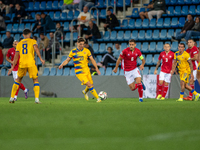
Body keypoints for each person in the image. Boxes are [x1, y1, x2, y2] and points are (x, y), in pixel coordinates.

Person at [8, 29, 45, 104]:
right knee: (35, 80)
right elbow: (36, 48)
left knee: (18, 80)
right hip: (31, 63)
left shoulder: (19, 43)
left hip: (22, 64)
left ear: (23, 35)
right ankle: (36, 99)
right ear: (30, 34)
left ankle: (12, 98)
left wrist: (13, 66)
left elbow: (16, 56)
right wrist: (41, 58)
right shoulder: (32, 41)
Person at [59, 37, 101, 102]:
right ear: (77, 43)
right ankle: (98, 99)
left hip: (87, 70)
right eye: (80, 44)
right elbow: (67, 60)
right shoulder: (73, 52)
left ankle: (84, 91)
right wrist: (62, 64)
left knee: (91, 85)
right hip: (79, 72)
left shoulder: (87, 51)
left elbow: (92, 60)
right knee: (89, 85)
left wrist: (96, 68)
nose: (82, 46)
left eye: (83, 44)